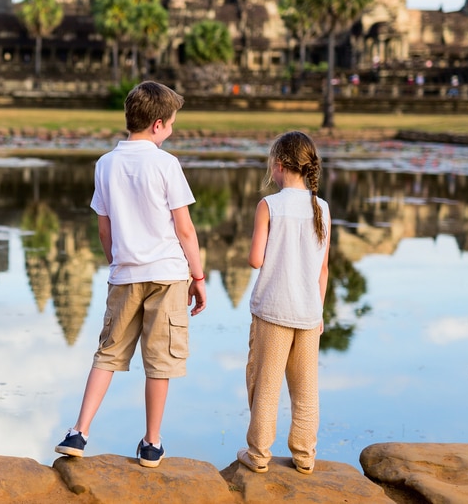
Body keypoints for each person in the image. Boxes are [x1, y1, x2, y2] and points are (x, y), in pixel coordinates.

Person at [54, 81, 207, 469]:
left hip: (124, 274)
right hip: (168, 276)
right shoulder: (165, 163)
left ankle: (78, 431)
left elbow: (104, 228)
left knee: (107, 353)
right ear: (157, 125)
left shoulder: (105, 163)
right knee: (160, 361)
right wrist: (199, 276)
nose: (171, 130)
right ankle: (151, 443)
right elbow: (185, 229)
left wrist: (115, 263)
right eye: (171, 124)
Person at [237, 131, 331, 476]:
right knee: (306, 391)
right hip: (308, 313)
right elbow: (323, 268)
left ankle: (259, 454)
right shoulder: (321, 208)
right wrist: (318, 312)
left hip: (273, 311)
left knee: (266, 385)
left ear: (279, 166)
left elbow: (255, 260)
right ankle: (305, 456)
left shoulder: (269, 205)